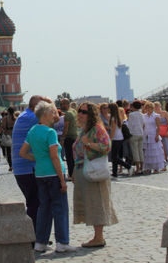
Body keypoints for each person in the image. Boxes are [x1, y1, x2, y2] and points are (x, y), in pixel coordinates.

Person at [19, 101, 75, 253]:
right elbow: (55, 157)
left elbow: (22, 152)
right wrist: (62, 180)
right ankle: (62, 242)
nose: (54, 115)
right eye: (52, 112)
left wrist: (37, 158)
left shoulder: (32, 131)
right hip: (54, 173)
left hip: (40, 174)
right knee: (60, 208)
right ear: (45, 114)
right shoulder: (50, 133)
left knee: (44, 208)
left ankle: (40, 242)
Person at [72, 103, 118, 248]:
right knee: (89, 203)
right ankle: (96, 236)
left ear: (91, 114)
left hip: (94, 171)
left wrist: (90, 144)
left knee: (96, 202)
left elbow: (107, 146)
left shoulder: (97, 129)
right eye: (79, 111)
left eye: (83, 112)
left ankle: (99, 237)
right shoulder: (83, 130)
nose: (80, 114)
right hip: (83, 169)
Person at [11, 96, 50, 228]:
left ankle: (35, 236)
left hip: (23, 168)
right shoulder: (31, 117)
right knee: (35, 203)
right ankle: (33, 237)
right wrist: (51, 104)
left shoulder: (24, 116)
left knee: (35, 202)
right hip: (28, 168)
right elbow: (53, 121)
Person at [105, 103, 131, 178]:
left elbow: (113, 130)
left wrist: (110, 139)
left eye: (108, 108)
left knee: (115, 157)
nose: (107, 109)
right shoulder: (118, 117)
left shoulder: (113, 118)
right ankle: (114, 172)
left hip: (116, 138)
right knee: (115, 156)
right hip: (119, 137)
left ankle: (128, 166)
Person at [126, 101, 145, 175]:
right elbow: (143, 124)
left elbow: (130, 125)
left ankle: (137, 168)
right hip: (141, 133)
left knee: (135, 152)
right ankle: (142, 168)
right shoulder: (141, 114)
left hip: (134, 134)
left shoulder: (131, 114)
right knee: (140, 151)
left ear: (133, 107)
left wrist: (128, 134)